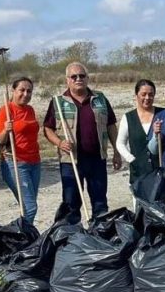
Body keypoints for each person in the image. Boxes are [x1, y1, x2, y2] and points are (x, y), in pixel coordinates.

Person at [43, 62, 122, 224]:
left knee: (100, 201)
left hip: (97, 159)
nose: (78, 79)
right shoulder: (58, 102)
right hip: (71, 161)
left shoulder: (100, 98)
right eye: (74, 76)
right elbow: (47, 129)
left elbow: (111, 126)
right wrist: (59, 143)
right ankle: (73, 238)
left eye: (82, 76)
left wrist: (116, 151)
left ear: (87, 78)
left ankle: (100, 234)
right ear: (67, 80)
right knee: (71, 202)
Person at [0, 77, 41, 224]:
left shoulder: (30, 110)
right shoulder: (6, 111)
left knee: (28, 206)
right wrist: (6, 130)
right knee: (30, 208)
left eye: (29, 91)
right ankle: (19, 237)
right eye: (22, 90)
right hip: (15, 162)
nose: (25, 94)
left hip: (35, 162)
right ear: (14, 91)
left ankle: (25, 237)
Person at [116, 79, 163, 184]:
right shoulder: (128, 117)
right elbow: (120, 143)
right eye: (143, 94)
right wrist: (131, 159)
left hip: (160, 171)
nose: (147, 98)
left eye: (151, 94)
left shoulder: (163, 114)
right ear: (136, 95)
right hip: (138, 173)